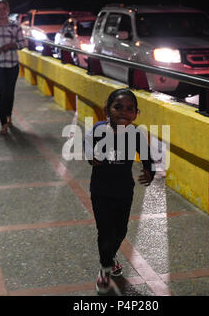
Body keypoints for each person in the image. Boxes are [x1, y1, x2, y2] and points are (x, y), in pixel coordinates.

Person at [84, 88, 156, 294]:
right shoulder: (99, 130)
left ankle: (110, 257)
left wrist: (149, 171)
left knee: (121, 231)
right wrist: (90, 155)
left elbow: (146, 155)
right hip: (100, 191)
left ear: (136, 113)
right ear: (107, 110)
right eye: (118, 107)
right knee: (105, 233)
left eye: (129, 109)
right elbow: (86, 143)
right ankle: (105, 269)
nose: (124, 112)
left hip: (124, 191)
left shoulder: (136, 134)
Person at [0, 0, 27, 135]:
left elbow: (23, 43)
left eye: (4, 8)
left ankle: (8, 116)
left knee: (9, 94)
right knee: (1, 93)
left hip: (12, 65)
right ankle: (3, 124)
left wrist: (12, 45)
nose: (2, 11)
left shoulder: (15, 25)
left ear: (8, 10)